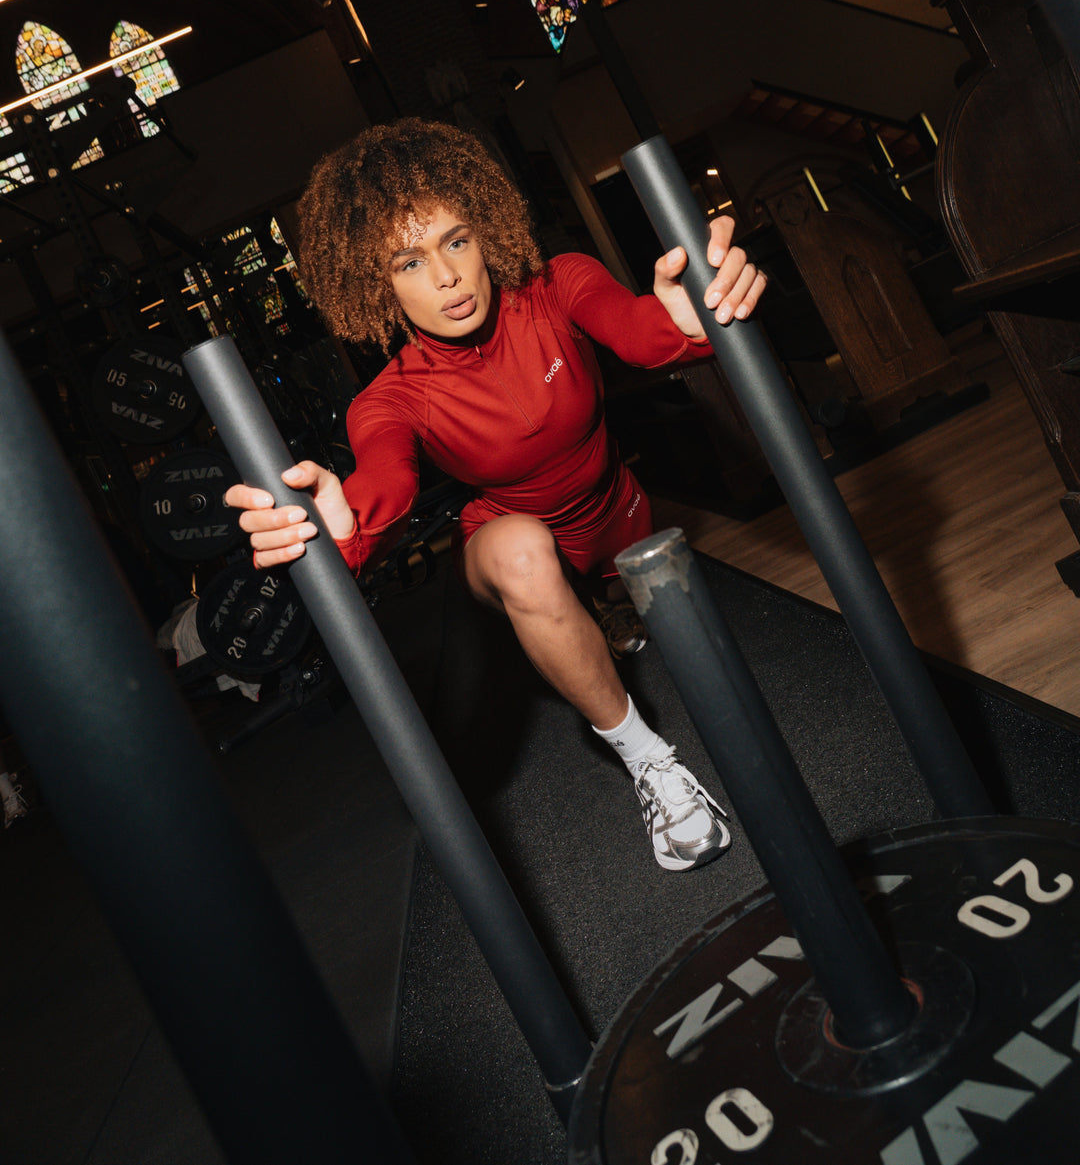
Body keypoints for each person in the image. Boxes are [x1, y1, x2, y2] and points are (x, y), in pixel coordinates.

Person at [226, 119, 766, 872]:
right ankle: (650, 764)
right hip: (510, 541)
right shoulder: (389, 399)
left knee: (640, 611)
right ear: (375, 283)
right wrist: (343, 520)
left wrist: (684, 314)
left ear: (485, 229)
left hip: (619, 518)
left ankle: (605, 609)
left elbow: (638, 328)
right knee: (521, 551)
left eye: (454, 241)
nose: (445, 277)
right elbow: (384, 484)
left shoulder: (558, 284)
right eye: (408, 261)